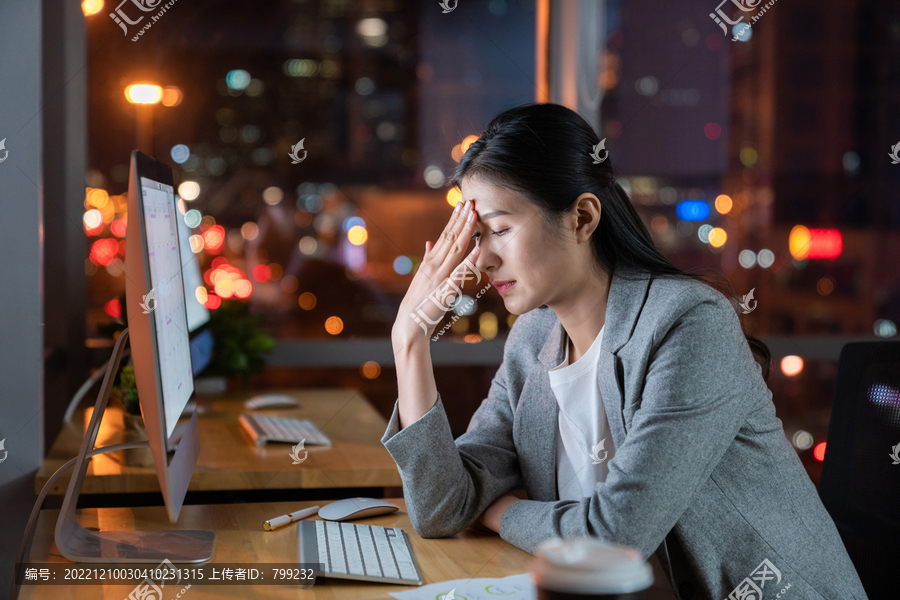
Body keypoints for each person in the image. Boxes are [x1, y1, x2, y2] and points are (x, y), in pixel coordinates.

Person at [382, 103, 868, 600]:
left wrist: (497, 511)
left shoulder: (688, 323)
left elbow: (614, 538)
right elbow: (441, 508)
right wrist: (410, 338)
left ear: (583, 217)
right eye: (477, 236)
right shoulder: (533, 342)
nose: (481, 258)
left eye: (501, 229)